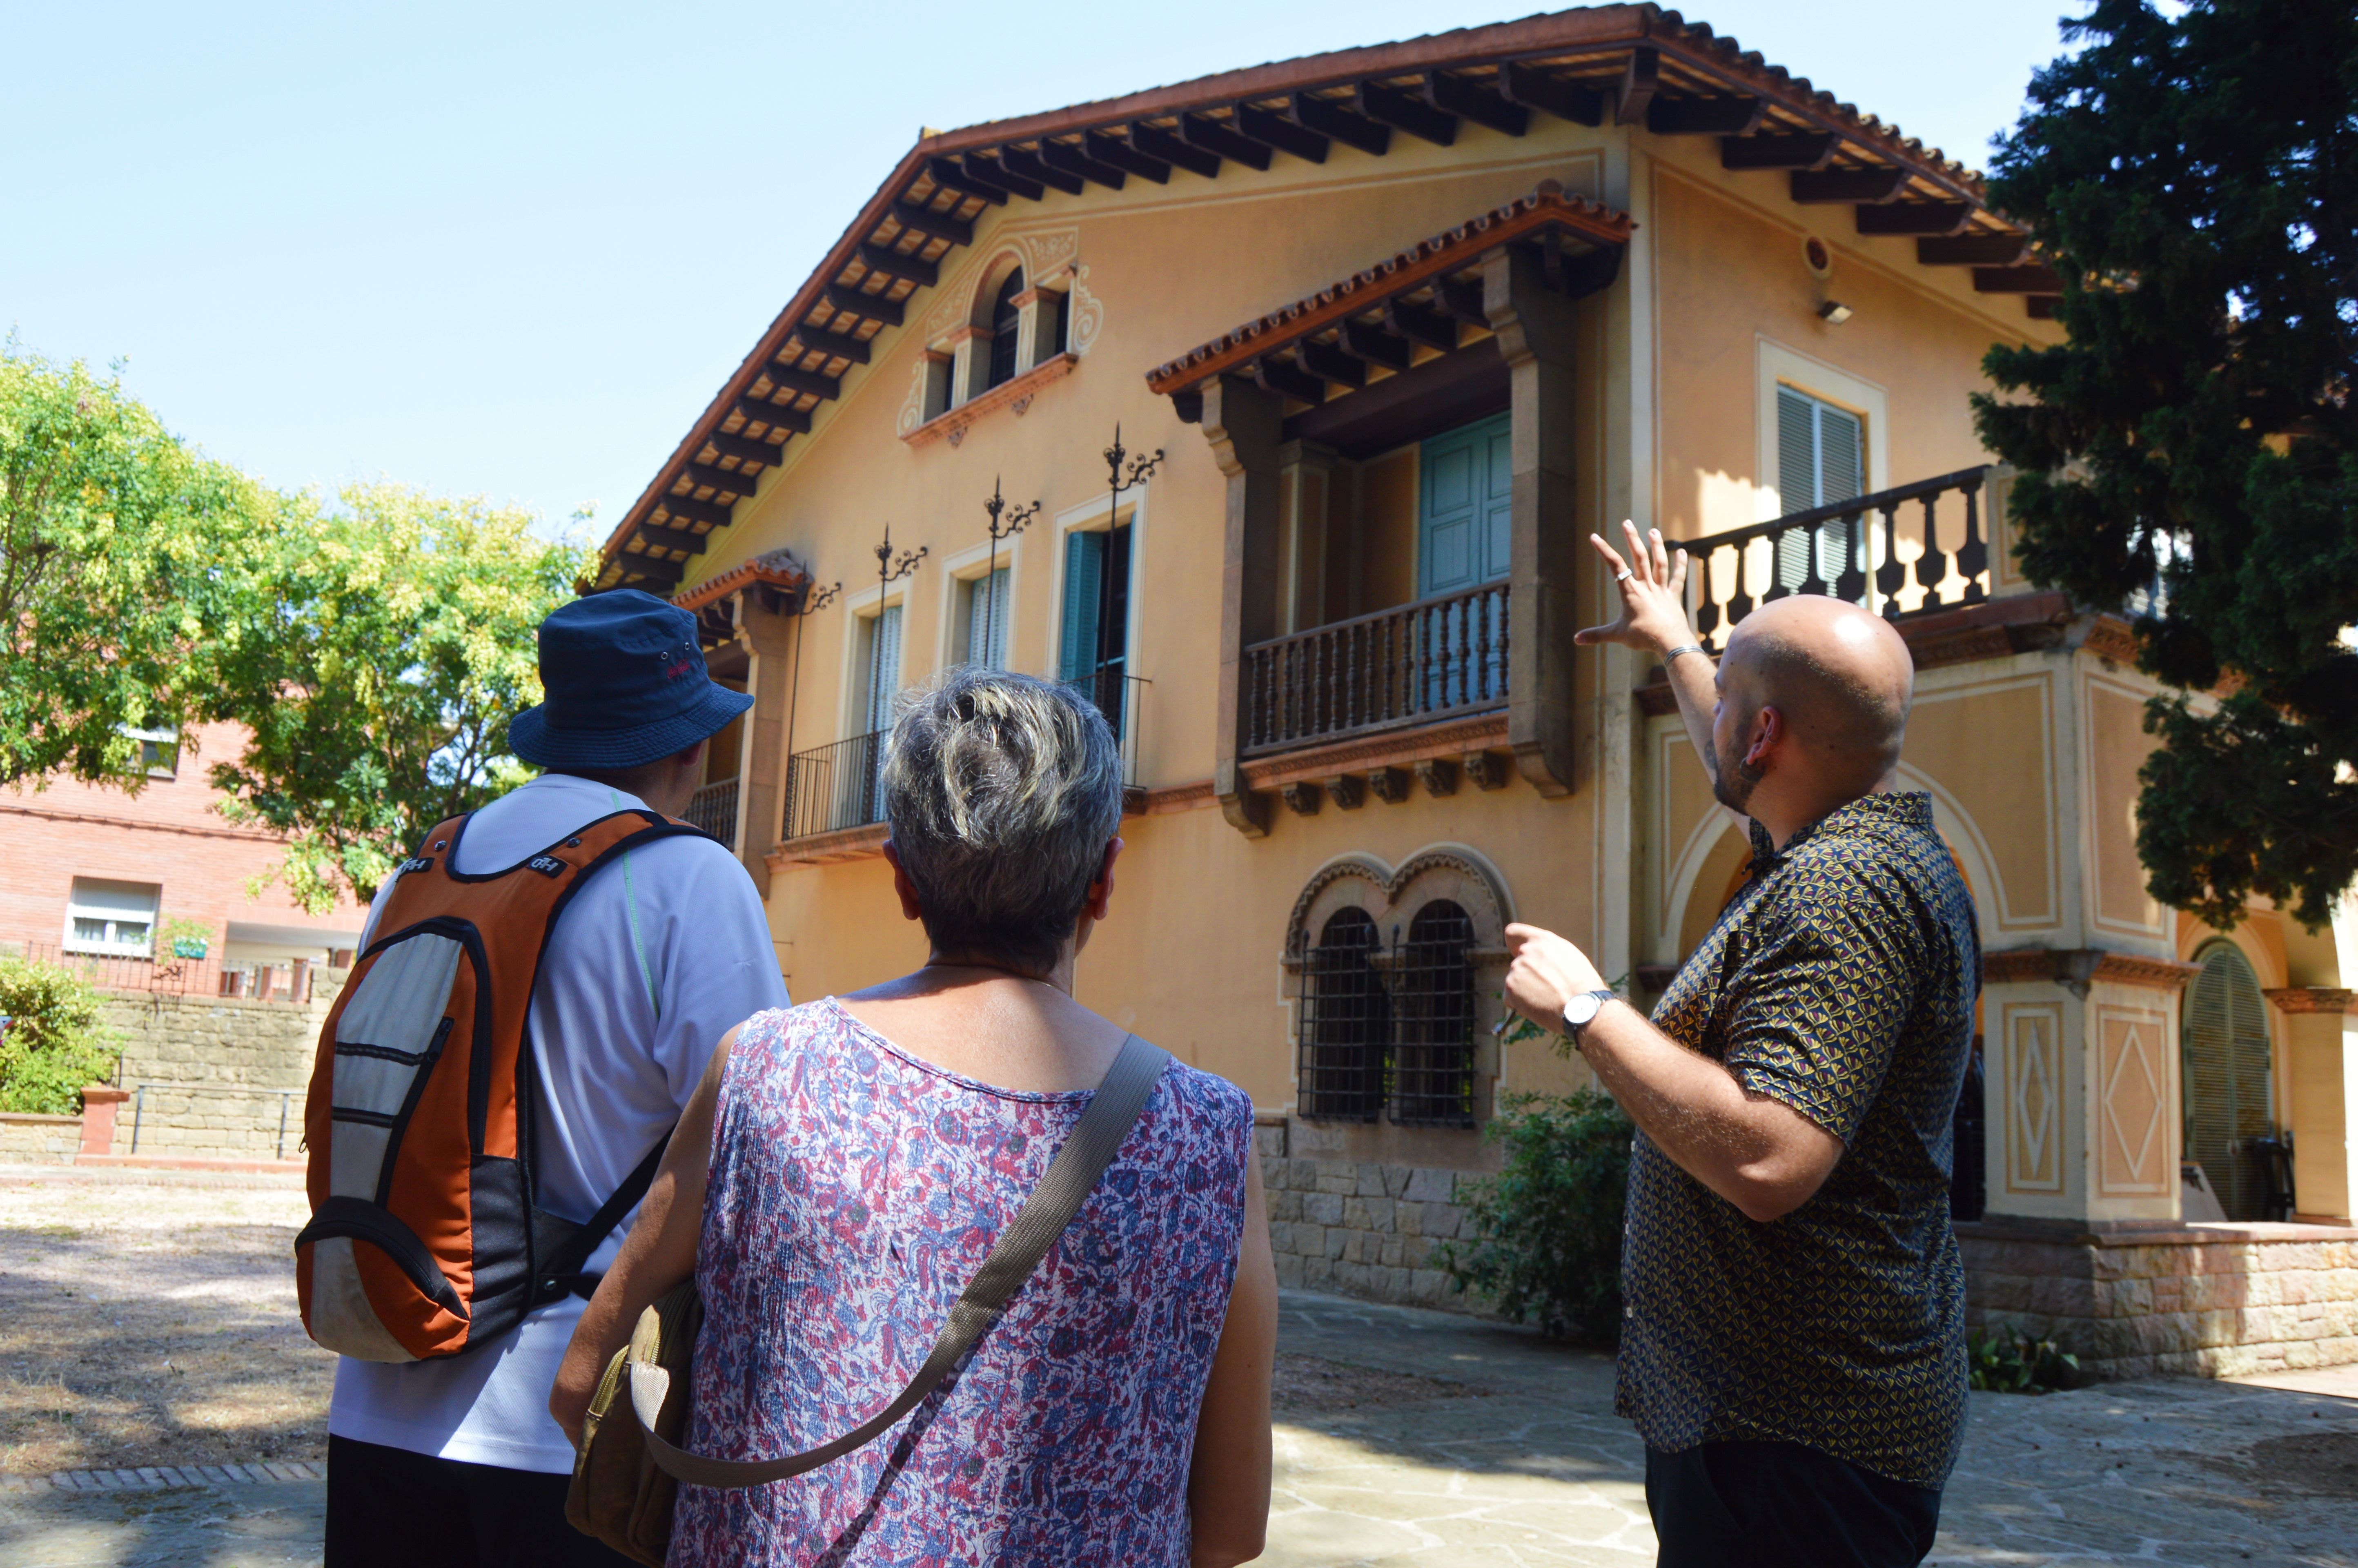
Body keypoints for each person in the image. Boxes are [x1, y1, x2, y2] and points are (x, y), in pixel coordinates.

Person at [552, 666, 1278, 1568]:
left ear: (900, 879)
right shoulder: (1205, 1133)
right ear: (1103, 881)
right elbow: (1233, 1524)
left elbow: (583, 1381)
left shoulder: (766, 1072)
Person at [1502, 523, 1977, 1568]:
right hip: (1782, 1424)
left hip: (1796, 1449)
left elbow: (1771, 1159)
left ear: (1762, 737)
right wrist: (1675, 639)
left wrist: (1587, 1009)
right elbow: (1741, 753)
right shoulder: (1843, 830)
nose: (1708, 716)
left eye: (1724, 705)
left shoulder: (1838, 893)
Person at [325, 590, 790, 1568]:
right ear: (690, 747)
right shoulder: (688, 879)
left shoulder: (422, 868)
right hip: (571, 1430)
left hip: (377, 1399)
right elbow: (758, 1162)